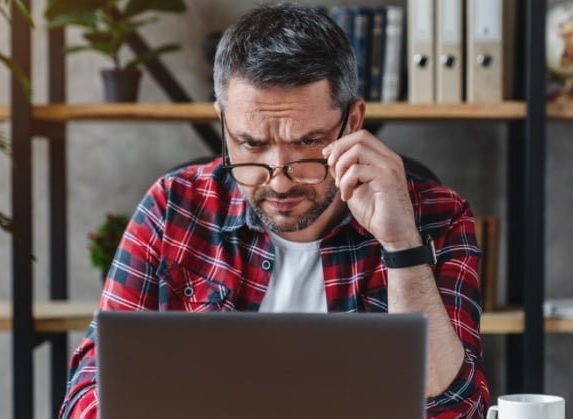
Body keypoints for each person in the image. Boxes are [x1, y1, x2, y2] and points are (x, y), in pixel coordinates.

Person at [60, 3, 489, 418]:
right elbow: (86, 393)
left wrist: (401, 246)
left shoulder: (437, 216)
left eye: (308, 142)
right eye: (251, 144)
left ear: (353, 121)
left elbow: (458, 411)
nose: (280, 180)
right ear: (222, 122)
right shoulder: (172, 207)